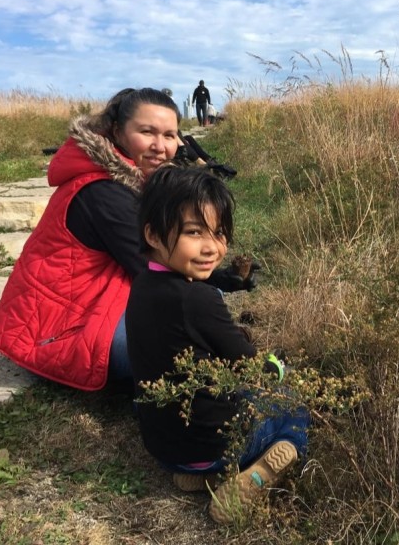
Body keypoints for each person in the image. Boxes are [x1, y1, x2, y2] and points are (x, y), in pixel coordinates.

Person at [0, 88, 255, 392]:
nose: (160, 146)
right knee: (184, 327)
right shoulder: (103, 192)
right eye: (147, 132)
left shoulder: (132, 181)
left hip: (93, 301)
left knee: (201, 308)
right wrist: (215, 293)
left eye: (170, 135)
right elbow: (152, 270)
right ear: (117, 132)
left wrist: (222, 281)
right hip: (54, 330)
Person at [126, 165, 308, 524]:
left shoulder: (142, 286)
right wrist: (276, 366)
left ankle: (197, 474)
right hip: (213, 444)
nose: (212, 247)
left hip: (163, 447)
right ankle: (254, 475)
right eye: (194, 232)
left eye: (220, 233)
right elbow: (251, 367)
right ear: (153, 234)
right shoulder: (198, 298)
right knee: (294, 413)